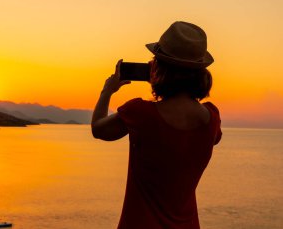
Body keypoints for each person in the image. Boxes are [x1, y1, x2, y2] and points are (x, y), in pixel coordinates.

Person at [91, 21, 222, 229]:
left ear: (159, 67)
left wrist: (106, 91)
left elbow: (98, 129)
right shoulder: (212, 119)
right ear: (200, 72)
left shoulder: (141, 114)